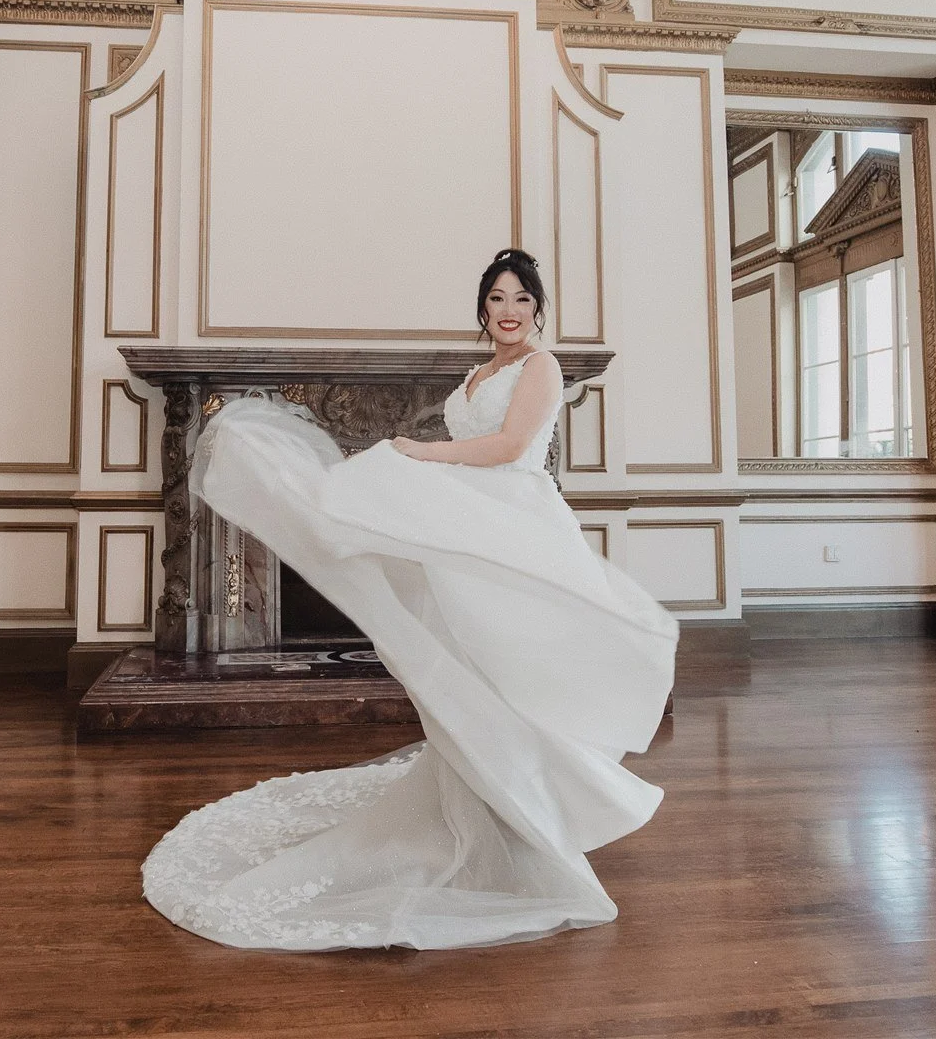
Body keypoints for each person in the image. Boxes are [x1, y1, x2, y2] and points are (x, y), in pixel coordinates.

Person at [142, 249, 679, 951]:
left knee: (508, 673)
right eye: (496, 298)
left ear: (538, 308)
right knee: (461, 664)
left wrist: (418, 456)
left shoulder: (539, 366)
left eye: (520, 298)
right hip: (471, 514)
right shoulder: (478, 371)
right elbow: (473, 443)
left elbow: (511, 445)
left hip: (514, 522)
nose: (508, 310)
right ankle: (489, 807)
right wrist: (416, 462)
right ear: (482, 309)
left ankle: (534, 820)